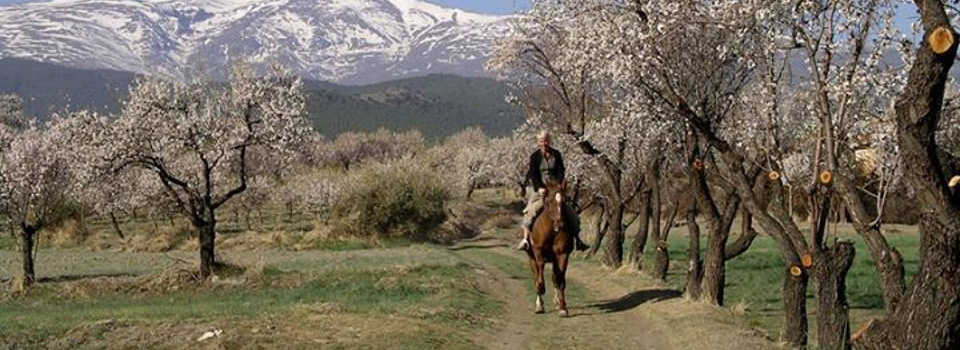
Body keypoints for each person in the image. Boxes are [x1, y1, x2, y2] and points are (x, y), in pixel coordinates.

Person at [516, 130, 589, 251]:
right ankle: (525, 239)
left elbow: (561, 171)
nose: (543, 143)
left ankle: (578, 239)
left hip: (555, 188)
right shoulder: (534, 157)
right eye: (541, 141)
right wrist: (539, 187)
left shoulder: (556, 154)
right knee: (531, 210)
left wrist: (559, 185)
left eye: (545, 140)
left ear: (549, 141)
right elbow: (533, 174)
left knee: (569, 210)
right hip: (541, 189)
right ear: (538, 142)